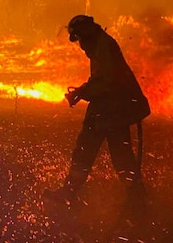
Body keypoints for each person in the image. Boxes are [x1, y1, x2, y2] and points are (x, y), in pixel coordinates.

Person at [45, 14, 150, 211]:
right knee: (116, 154)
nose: (81, 46)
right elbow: (102, 79)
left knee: (91, 151)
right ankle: (136, 198)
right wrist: (83, 90)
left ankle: (134, 198)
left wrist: (84, 92)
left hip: (111, 111)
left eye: (80, 40)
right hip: (109, 110)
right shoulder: (101, 46)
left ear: (86, 35)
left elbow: (109, 82)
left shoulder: (104, 47)